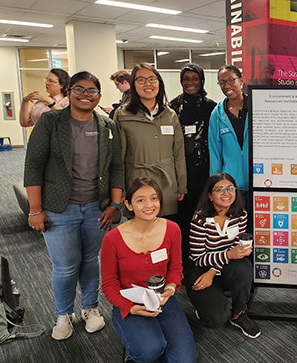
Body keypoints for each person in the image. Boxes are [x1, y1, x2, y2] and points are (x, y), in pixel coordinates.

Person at [24, 71, 124, 340]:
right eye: (79, 89)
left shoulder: (107, 126)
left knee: (91, 260)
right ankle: (63, 314)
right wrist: (35, 210)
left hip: (96, 208)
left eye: (92, 91)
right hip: (59, 208)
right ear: (69, 92)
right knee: (66, 265)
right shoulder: (51, 121)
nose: (85, 95)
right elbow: (33, 165)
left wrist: (115, 204)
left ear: (99, 97)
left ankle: (90, 308)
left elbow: (116, 167)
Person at [101, 177, 198, 363]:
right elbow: (109, 285)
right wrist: (130, 308)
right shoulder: (112, 239)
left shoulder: (172, 229)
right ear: (128, 204)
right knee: (149, 350)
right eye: (140, 200)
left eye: (154, 198)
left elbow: (176, 268)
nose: (149, 205)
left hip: (163, 299)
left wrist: (169, 290)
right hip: (129, 301)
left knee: (185, 359)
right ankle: (138, 346)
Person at [186, 173, 260, 338]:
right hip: (200, 268)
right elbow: (198, 258)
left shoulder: (240, 215)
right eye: (219, 190)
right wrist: (226, 257)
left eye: (230, 188)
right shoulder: (199, 220)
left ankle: (239, 313)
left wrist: (214, 270)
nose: (226, 193)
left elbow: (234, 251)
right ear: (210, 196)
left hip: (221, 266)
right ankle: (206, 303)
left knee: (244, 268)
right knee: (215, 319)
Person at [114, 62, 187, 219]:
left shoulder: (170, 115)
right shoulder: (123, 115)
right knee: (140, 232)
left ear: (159, 83)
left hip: (166, 183)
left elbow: (179, 154)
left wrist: (182, 185)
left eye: (152, 79)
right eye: (141, 80)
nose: (148, 84)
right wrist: (120, 189)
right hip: (136, 182)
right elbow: (118, 157)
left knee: (164, 230)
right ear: (133, 84)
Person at [169, 63, 217, 267]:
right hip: (180, 170)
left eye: (194, 78)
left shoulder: (211, 107)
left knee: (204, 212)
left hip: (205, 169)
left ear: (201, 80)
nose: (190, 82)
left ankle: (204, 258)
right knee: (181, 215)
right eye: (186, 79)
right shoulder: (172, 107)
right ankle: (183, 261)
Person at [209, 65, 250, 210]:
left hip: (258, 179)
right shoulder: (217, 114)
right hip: (231, 185)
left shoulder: (256, 107)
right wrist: (216, 186)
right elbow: (214, 152)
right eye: (222, 82)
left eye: (231, 80)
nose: (227, 86)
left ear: (241, 81)